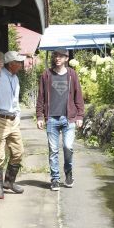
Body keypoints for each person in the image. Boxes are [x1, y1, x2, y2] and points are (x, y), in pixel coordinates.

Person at [35, 48, 85, 191]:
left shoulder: (72, 74)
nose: (57, 58)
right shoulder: (46, 75)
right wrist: (40, 116)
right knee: (53, 150)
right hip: (51, 119)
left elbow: (78, 96)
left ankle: (68, 173)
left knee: (68, 147)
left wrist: (80, 115)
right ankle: (55, 179)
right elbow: (41, 97)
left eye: (61, 56)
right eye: (55, 56)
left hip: (68, 119)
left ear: (66, 58)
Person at [0, 50, 27, 199]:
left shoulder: (15, 78)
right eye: (19, 62)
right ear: (11, 64)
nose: (21, 65)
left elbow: (15, 101)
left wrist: (18, 116)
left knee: (18, 152)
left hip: (13, 119)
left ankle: (9, 182)